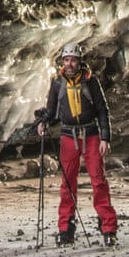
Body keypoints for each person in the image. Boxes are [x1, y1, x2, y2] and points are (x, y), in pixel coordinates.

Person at [37, 43, 118, 245]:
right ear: (63, 62)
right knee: (67, 184)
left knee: (98, 181)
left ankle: (108, 229)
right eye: (66, 60)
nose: (70, 63)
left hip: (90, 136)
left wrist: (105, 138)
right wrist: (43, 122)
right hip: (68, 137)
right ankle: (65, 230)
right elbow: (53, 111)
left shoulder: (91, 83)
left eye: (73, 60)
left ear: (79, 61)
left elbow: (102, 110)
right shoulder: (57, 83)